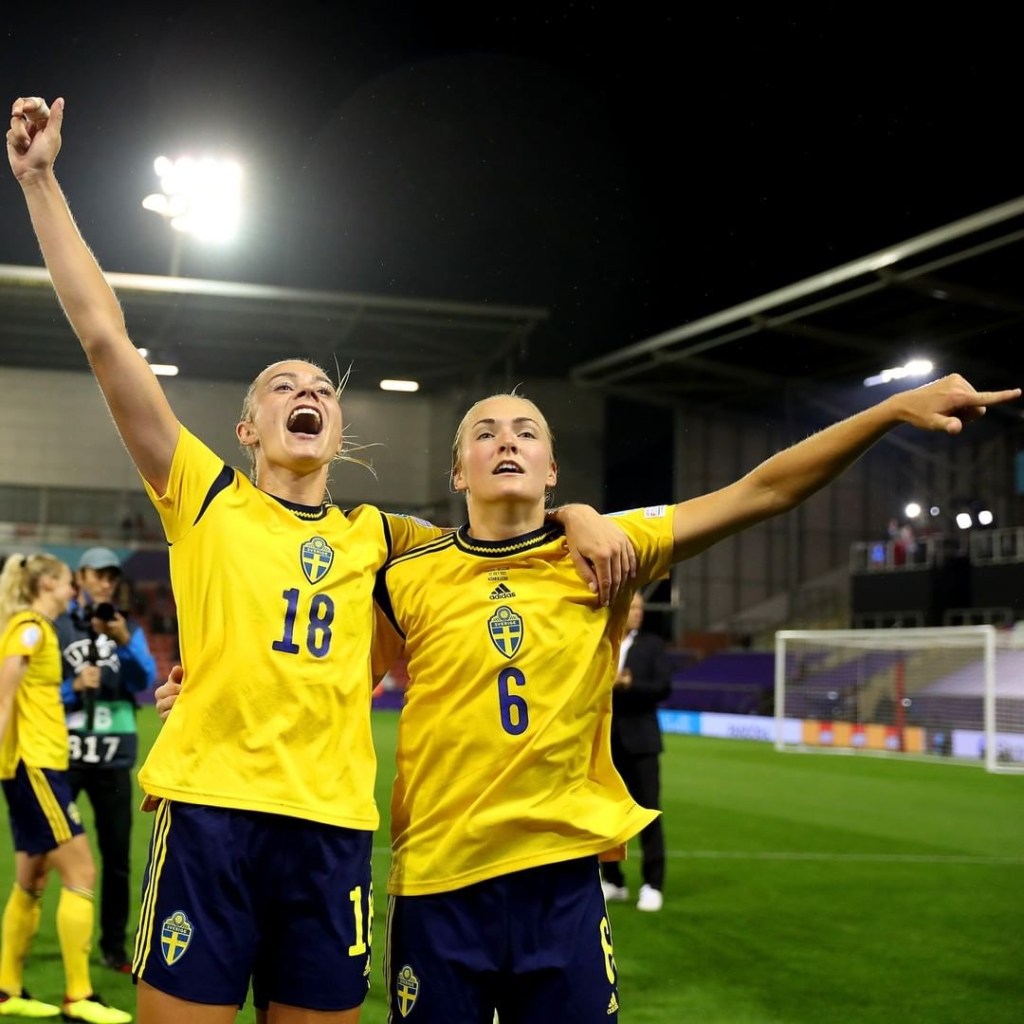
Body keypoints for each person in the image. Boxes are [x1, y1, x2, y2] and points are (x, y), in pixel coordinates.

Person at [7, 95, 632, 1024]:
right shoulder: (203, 494)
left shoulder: (383, 538)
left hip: (333, 832)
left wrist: (576, 510)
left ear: (337, 430)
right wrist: (40, 181)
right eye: (281, 386)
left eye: (322, 390)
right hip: (210, 815)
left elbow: (508, 534)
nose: (306, 391)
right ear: (247, 427)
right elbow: (105, 337)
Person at [162, 379, 1020, 1022]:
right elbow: (328, 670)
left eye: (526, 431)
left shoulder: (606, 552)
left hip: (562, 884)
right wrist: (204, 688)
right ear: (457, 470)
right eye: (484, 432)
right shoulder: (407, 573)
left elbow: (764, 491)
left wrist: (886, 411)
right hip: (435, 888)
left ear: (551, 467)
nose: (505, 441)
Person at [0, 553, 132, 1024]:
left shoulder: (35, 629)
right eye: (65, 582)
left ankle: (6, 990)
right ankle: (79, 997)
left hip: (36, 766)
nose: (73, 589)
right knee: (82, 873)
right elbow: (3, 699)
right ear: (47, 585)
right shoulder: (30, 629)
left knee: (32, 879)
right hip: (37, 768)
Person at [56, 547, 157, 974]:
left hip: (114, 759)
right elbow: (36, 689)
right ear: (80, 577)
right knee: (42, 853)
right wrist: (73, 687)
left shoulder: (127, 628)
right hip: (66, 756)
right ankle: (20, 951)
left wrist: (123, 640)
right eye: (98, 574)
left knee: (117, 858)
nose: (105, 583)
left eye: (111, 576)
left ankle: (113, 947)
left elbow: (145, 679)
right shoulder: (59, 627)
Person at [599, 591, 672, 913]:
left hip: (642, 742)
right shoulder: (603, 640)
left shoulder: (653, 646)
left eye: (641, 608)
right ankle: (613, 880)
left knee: (649, 813)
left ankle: (652, 884)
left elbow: (664, 687)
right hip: (606, 742)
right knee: (608, 815)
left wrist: (630, 684)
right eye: (633, 607)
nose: (638, 613)